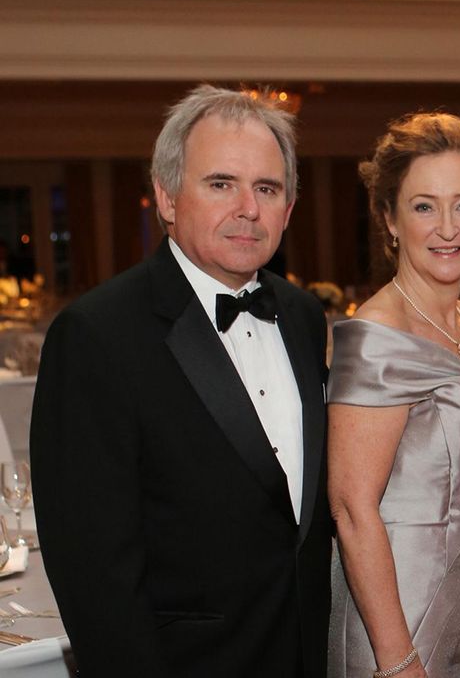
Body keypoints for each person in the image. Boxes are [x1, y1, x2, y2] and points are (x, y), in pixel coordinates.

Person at [30, 85, 331, 678]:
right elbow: (94, 573)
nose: (248, 208)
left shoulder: (302, 316)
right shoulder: (96, 335)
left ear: (289, 208)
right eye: (221, 184)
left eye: (267, 188)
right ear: (167, 198)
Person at [327, 112, 460, 677]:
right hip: (396, 627)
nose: (447, 228)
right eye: (424, 207)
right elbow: (351, 508)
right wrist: (398, 662)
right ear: (389, 219)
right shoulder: (378, 335)